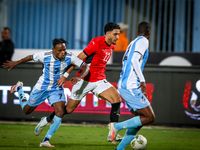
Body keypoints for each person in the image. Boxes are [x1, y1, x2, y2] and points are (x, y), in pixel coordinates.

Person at [35, 22, 123, 143]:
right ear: (107, 34)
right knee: (68, 110)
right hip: (84, 80)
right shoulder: (96, 42)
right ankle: (46, 120)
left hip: (99, 80)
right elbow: (78, 59)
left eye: (118, 34)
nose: (118, 37)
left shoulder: (111, 45)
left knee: (116, 99)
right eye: (115, 34)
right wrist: (66, 75)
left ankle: (113, 134)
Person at [2, 38, 90, 147]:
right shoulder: (45, 55)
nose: (63, 52)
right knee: (27, 111)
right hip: (41, 88)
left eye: (64, 50)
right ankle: (19, 89)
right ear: (53, 50)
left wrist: (80, 77)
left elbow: (86, 66)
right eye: (59, 50)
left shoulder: (70, 56)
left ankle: (45, 140)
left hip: (56, 88)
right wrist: (16, 63)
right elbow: (30, 57)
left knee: (60, 112)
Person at [108, 22, 155, 150]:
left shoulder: (132, 42)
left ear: (137, 32)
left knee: (138, 121)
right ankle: (116, 127)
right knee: (150, 117)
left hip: (124, 84)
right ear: (149, 33)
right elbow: (134, 60)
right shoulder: (144, 41)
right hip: (131, 85)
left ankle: (120, 148)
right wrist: (142, 81)